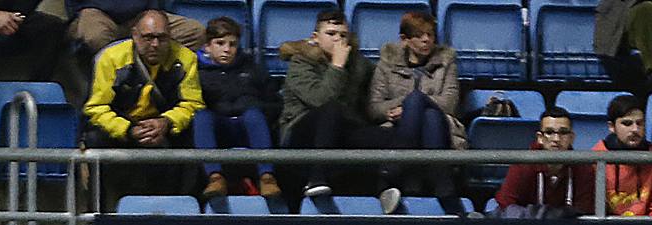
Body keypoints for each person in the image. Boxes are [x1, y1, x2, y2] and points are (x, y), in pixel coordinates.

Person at [280, 8, 400, 203]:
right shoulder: (300, 63)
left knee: (389, 135)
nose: (337, 40)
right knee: (331, 109)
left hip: (343, 129)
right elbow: (321, 100)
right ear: (316, 37)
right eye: (331, 34)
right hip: (302, 133)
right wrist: (336, 66)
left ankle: (384, 188)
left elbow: (384, 78)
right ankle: (316, 178)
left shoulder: (358, 64)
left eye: (343, 35)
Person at [83, 10, 203, 205]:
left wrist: (167, 122)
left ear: (170, 36)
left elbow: (193, 104)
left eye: (161, 38)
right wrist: (128, 130)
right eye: (148, 38)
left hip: (163, 125)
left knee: (194, 135)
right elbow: (96, 108)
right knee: (94, 139)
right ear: (134, 35)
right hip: (122, 124)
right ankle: (94, 214)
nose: (154, 44)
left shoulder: (186, 59)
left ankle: (179, 211)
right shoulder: (110, 58)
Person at [367, 10, 465, 201]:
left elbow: (449, 104)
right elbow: (374, 107)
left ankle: (393, 169)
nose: (426, 40)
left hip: (444, 130)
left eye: (430, 35)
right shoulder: (387, 64)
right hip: (396, 129)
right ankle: (442, 183)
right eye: (419, 35)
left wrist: (413, 105)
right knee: (426, 114)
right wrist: (400, 110)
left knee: (424, 108)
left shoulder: (446, 62)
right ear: (404, 39)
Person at [194, 17, 282, 201]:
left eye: (232, 44)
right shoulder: (196, 72)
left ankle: (267, 177)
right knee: (202, 117)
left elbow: (273, 100)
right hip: (219, 129)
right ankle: (215, 178)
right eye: (220, 43)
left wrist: (259, 110)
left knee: (253, 115)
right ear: (207, 46)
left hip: (250, 127)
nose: (227, 49)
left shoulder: (252, 68)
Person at [492, 107, 597, 217]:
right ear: (540, 137)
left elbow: (585, 211)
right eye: (549, 132)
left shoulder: (583, 168)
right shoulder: (523, 165)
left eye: (563, 132)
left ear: (572, 138)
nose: (556, 139)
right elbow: (506, 205)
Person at [593, 94, 652, 217]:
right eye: (627, 123)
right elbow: (590, 205)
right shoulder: (594, 158)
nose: (635, 129)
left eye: (640, 123)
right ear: (611, 127)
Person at [69, 0, 205, 57]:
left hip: (141, 14)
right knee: (95, 37)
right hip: (97, 12)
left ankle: (156, 80)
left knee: (195, 32)